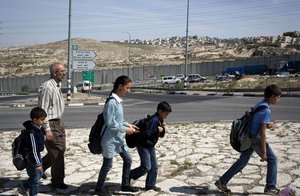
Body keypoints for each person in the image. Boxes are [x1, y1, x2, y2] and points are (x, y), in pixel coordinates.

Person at [214, 84, 282, 195]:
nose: (278, 100)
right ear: (273, 96)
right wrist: (264, 153)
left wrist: (268, 125)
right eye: (278, 97)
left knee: (242, 162)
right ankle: (270, 187)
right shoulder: (266, 111)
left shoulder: (261, 104)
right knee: (272, 160)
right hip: (255, 139)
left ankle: (222, 181)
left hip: (248, 137)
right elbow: (263, 133)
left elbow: (257, 121)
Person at [95, 75, 140, 194]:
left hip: (118, 138)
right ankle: (98, 188)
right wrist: (125, 129)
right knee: (107, 165)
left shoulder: (118, 101)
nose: (128, 91)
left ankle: (125, 185)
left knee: (128, 160)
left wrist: (128, 124)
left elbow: (119, 120)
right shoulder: (111, 103)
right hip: (109, 139)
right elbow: (111, 123)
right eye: (127, 88)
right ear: (120, 87)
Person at [37, 62, 68, 189]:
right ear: (54, 73)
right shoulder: (47, 87)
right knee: (57, 153)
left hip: (58, 123)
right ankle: (57, 182)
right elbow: (42, 111)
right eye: (61, 71)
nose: (64, 73)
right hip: (51, 123)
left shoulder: (57, 85)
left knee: (57, 152)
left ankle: (38, 170)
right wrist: (47, 129)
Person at [130, 101, 172, 191]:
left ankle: (150, 184)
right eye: (166, 114)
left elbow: (160, 135)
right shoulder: (154, 119)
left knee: (154, 167)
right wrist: (157, 129)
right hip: (143, 145)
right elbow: (146, 133)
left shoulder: (159, 120)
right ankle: (128, 175)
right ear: (160, 111)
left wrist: (162, 128)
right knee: (146, 167)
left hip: (150, 145)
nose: (167, 116)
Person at [17, 107, 47, 196]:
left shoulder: (39, 128)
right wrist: (37, 164)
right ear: (34, 120)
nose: (44, 121)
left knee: (39, 174)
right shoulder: (31, 133)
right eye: (42, 120)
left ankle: (24, 186)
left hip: (36, 155)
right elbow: (33, 149)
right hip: (31, 158)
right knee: (35, 179)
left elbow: (41, 138)